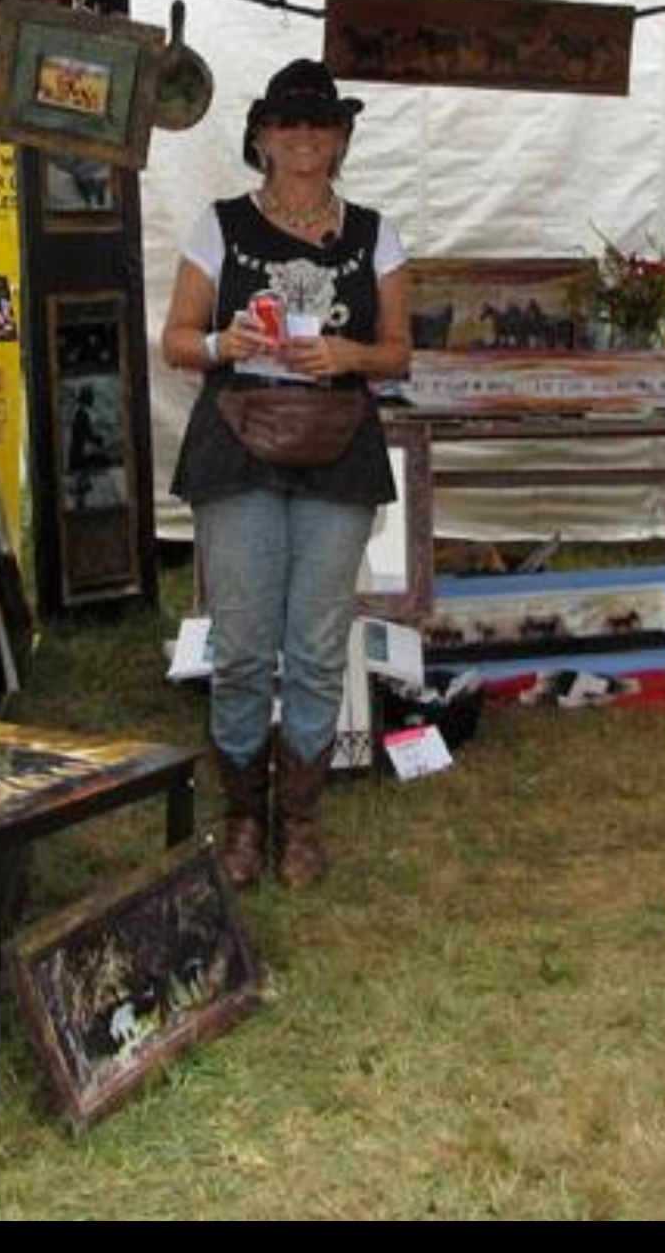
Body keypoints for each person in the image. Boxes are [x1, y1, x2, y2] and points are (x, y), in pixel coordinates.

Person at [160, 60, 411, 890]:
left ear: (340, 139)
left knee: (313, 644)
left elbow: (400, 353)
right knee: (240, 647)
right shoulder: (221, 225)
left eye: (321, 124)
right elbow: (177, 340)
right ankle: (241, 818)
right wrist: (221, 346)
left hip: (339, 442)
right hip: (238, 439)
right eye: (288, 124)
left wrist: (348, 353)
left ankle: (298, 821)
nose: (304, 137)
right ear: (261, 137)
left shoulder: (376, 233)